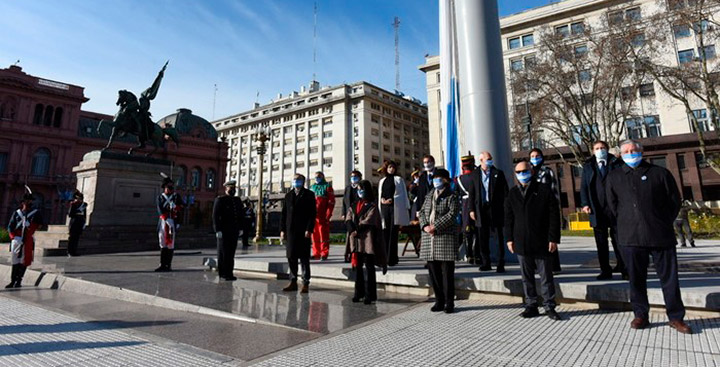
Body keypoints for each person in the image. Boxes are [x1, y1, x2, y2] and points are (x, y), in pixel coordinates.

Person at [607, 140, 692, 334]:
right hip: (631, 237)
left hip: (660, 235)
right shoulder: (614, 177)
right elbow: (612, 207)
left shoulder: (659, 173)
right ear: (620, 155)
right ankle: (640, 314)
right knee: (636, 279)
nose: (631, 154)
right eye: (626, 151)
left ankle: (676, 317)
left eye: (634, 150)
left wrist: (662, 221)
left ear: (641, 151)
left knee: (669, 279)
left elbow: (674, 201)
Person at [504, 160, 561, 320]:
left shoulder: (544, 190)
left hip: (542, 240)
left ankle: (549, 306)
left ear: (532, 171)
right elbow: (508, 219)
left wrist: (553, 238)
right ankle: (531, 305)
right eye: (519, 172)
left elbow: (553, 215)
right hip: (521, 241)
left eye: (525, 171)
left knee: (546, 276)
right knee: (526, 276)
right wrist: (509, 239)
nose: (522, 174)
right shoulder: (512, 193)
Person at [580, 141, 628, 280]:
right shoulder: (588, 166)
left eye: (602, 148)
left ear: (607, 150)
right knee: (601, 243)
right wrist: (585, 203)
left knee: (619, 240)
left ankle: (624, 268)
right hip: (597, 209)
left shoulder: (617, 163)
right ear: (593, 151)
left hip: (614, 208)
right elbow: (584, 187)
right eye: (597, 148)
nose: (600, 150)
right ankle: (605, 270)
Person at [419, 168, 460, 313]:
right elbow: (422, 212)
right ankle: (439, 300)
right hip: (429, 238)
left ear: (446, 180)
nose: (436, 181)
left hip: (444, 237)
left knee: (447, 272)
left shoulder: (452, 195)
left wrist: (435, 226)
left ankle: (449, 302)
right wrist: (424, 226)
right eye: (435, 178)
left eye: (439, 178)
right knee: (433, 272)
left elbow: (452, 214)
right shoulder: (429, 194)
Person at [345, 180, 387, 304]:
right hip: (356, 241)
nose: (359, 191)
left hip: (367, 240)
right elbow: (348, 217)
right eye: (358, 189)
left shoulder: (372, 206)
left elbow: (370, 220)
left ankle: (370, 295)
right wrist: (351, 228)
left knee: (369, 268)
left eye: (361, 189)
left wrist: (357, 229)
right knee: (357, 268)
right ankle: (358, 293)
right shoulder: (354, 204)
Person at [469, 151, 509, 272]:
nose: (490, 160)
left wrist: (505, 208)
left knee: (498, 237)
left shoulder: (498, 173)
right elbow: (472, 193)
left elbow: (505, 192)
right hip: (481, 209)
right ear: (481, 161)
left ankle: (500, 262)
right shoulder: (475, 174)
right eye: (488, 159)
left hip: (495, 209)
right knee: (482, 237)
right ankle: (486, 262)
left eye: (491, 158)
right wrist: (471, 209)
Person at [280, 174, 316, 293]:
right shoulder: (288, 195)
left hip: (303, 231)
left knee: (304, 257)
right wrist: (282, 230)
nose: (296, 181)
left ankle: (305, 282)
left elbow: (312, 214)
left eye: (298, 180)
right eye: (294, 179)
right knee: (291, 256)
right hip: (290, 231)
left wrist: (309, 229)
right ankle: (293, 280)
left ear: (303, 182)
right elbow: (284, 214)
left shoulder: (309, 195)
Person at [530, 148, 562, 274]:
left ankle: (554, 265)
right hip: (534, 209)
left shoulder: (547, 171)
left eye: (537, 155)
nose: (535, 158)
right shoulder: (529, 172)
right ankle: (536, 265)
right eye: (532, 156)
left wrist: (554, 205)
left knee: (550, 237)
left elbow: (554, 189)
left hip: (546, 207)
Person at [6, 189, 43, 288]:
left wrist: (31, 226)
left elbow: (41, 225)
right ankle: (12, 281)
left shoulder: (36, 213)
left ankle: (19, 281)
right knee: (15, 260)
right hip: (17, 239)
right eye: (26, 201)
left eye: (29, 201)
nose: (28, 202)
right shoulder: (17, 213)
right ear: (22, 202)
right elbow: (10, 227)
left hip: (27, 240)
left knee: (25, 261)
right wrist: (13, 237)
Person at [378, 160, 410, 266]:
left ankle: (392, 259)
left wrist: (392, 199)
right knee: (384, 232)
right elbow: (380, 194)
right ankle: (384, 257)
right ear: (386, 169)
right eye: (389, 167)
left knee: (393, 233)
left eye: (393, 167)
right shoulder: (382, 181)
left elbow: (402, 194)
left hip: (394, 208)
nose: (391, 169)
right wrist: (382, 200)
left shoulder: (398, 179)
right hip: (384, 208)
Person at [213, 181, 245, 281]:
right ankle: (223, 273)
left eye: (234, 188)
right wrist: (217, 230)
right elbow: (215, 216)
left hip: (234, 230)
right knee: (223, 253)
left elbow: (240, 215)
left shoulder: (237, 200)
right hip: (224, 231)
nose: (233, 190)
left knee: (231, 253)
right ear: (226, 188)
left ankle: (229, 272)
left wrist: (241, 228)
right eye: (230, 188)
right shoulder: (220, 200)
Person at [155, 176, 184, 272]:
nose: (171, 189)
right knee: (162, 243)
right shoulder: (160, 197)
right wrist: (166, 218)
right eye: (169, 187)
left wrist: (177, 207)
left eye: (172, 187)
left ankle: (168, 264)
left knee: (171, 244)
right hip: (163, 223)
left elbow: (182, 207)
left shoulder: (176, 197)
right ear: (165, 187)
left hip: (172, 222)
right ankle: (162, 264)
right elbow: (160, 209)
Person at [455, 154, 477, 264]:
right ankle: (477, 255)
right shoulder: (476, 176)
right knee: (477, 231)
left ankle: (469, 255)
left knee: (467, 232)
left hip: (465, 206)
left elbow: (457, 193)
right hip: (476, 204)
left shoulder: (459, 179)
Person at [310, 171, 335, 260]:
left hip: (323, 216)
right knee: (314, 235)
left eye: (319, 176)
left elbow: (331, 202)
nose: (317, 178)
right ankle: (316, 253)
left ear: (323, 177)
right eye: (315, 176)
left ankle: (324, 253)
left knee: (323, 235)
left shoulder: (327, 187)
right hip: (313, 216)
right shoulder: (312, 187)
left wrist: (328, 215)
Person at [342, 170, 363, 261]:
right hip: (349, 214)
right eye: (352, 176)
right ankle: (348, 254)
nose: (353, 178)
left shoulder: (361, 187)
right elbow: (344, 202)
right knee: (349, 234)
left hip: (359, 213)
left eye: (355, 176)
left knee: (357, 234)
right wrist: (343, 213)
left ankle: (357, 254)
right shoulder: (348, 188)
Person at [415, 155, 437, 219]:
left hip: (436, 206)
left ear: (433, 162)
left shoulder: (439, 174)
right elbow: (419, 194)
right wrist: (418, 209)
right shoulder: (422, 177)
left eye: (428, 162)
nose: (427, 164)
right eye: (425, 162)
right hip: (424, 207)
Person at [66, 190, 87, 257]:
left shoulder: (84, 205)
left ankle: (74, 251)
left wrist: (84, 222)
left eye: (81, 198)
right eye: (78, 198)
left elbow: (84, 215)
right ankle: (69, 251)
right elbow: (70, 214)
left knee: (76, 238)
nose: (79, 200)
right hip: (74, 222)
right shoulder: (73, 204)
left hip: (80, 223)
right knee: (72, 238)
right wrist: (77, 212)